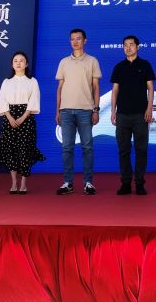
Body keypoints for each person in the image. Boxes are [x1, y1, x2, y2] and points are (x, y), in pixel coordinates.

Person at [55, 28, 102, 195]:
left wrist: (96, 110)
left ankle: (88, 182)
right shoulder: (63, 62)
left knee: (87, 147)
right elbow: (60, 88)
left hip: (86, 110)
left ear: (85, 41)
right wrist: (57, 111)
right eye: (72, 39)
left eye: (78, 38)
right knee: (67, 148)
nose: (75, 42)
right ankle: (67, 182)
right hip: (65, 111)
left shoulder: (92, 61)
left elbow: (96, 87)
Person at [110, 35, 156, 195]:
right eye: (125, 45)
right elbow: (115, 90)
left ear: (138, 47)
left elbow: (151, 88)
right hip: (122, 114)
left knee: (141, 150)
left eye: (131, 44)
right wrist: (113, 111)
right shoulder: (119, 67)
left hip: (140, 115)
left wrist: (149, 108)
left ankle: (140, 183)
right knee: (123, 150)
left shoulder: (145, 65)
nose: (128, 47)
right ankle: (125, 183)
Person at [0, 51, 46, 194]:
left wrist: (23, 117)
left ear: (26, 64)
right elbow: (2, 100)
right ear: (12, 64)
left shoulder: (32, 81)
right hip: (9, 117)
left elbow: (34, 100)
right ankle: (14, 182)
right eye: (15, 61)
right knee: (10, 149)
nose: (18, 63)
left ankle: (23, 183)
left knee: (25, 149)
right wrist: (9, 117)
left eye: (21, 60)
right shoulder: (7, 82)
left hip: (27, 117)